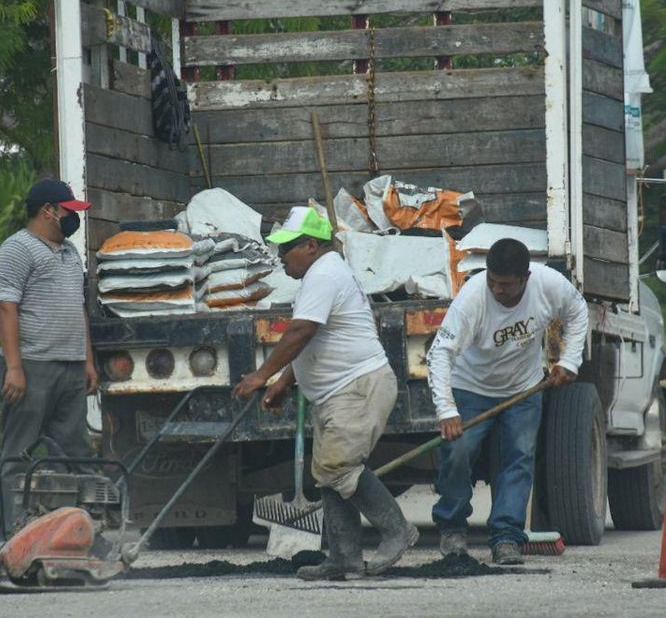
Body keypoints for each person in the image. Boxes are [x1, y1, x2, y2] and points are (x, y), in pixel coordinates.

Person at [233, 207, 416, 580]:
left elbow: (300, 332)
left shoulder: (325, 274)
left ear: (311, 246)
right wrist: (284, 383)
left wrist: (261, 376)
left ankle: (398, 530)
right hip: (338, 392)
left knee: (338, 467)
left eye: (287, 249)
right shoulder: (322, 275)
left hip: (358, 387)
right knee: (328, 473)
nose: (281, 257)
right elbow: (314, 343)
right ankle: (344, 557)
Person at [426, 238, 588, 564]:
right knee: (458, 454)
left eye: (506, 285)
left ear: (525, 278)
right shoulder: (472, 298)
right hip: (470, 388)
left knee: (518, 460)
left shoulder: (548, 285)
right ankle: (453, 528)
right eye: (492, 282)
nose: (497, 290)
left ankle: (506, 537)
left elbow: (578, 310)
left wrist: (569, 362)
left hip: (523, 390)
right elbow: (439, 353)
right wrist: (447, 410)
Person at [0, 179, 98, 541]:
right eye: (69, 211)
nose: (73, 219)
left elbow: (78, 309)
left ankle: (77, 534)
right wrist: (15, 368)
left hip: (69, 366)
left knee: (76, 455)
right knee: (17, 453)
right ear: (48, 211)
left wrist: (87, 361)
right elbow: (6, 307)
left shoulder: (70, 253)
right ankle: (10, 537)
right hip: (33, 366)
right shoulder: (16, 250)